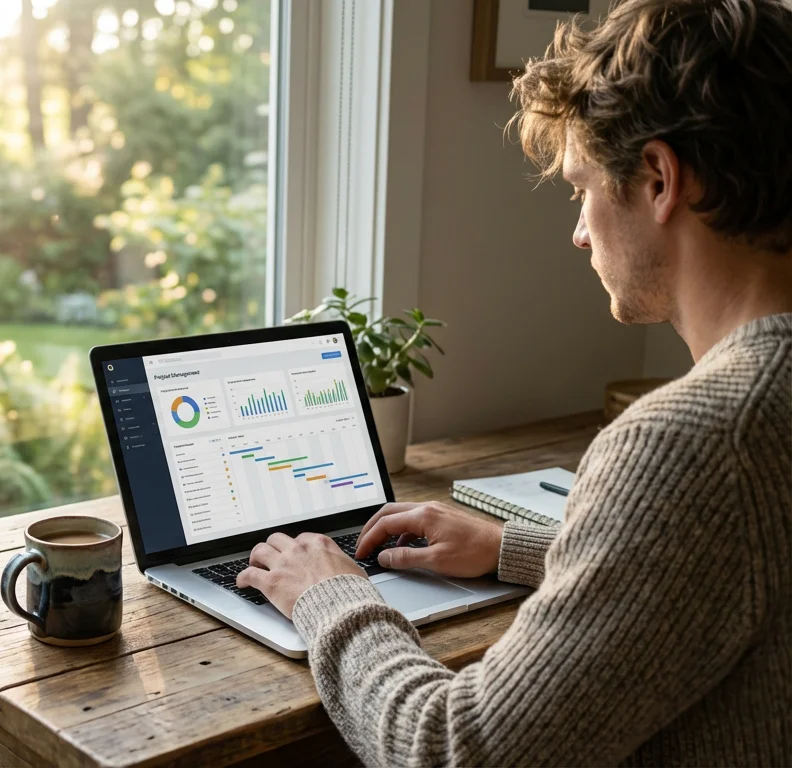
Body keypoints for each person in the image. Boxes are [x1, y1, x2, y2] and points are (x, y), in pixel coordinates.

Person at [235, 0, 792, 764]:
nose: (579, 229)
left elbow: (454, 750)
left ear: (660, 179)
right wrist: (515, 547)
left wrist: (327, 594)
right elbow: (732, 562)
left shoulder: (694, 441)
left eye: (580, 188)